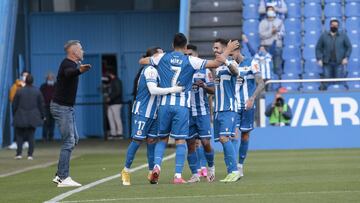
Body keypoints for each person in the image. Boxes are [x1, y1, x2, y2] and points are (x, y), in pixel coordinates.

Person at [139, 33, 239, 184]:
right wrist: (228, 50)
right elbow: (216, 63)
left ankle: (157, 166)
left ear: (172, 45)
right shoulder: (191, 60)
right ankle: (178, 176)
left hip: (165, 104)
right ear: (186, 47)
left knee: (163, 139)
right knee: (181, 141)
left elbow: (142, 61)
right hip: (182, 106)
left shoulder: (161, 57)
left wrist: (155, 59)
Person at [121, 47, 184, 186]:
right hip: (142, 112)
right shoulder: (150, 69)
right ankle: (126, 170)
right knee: (137, 140)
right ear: (153, 57)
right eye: (160, 54)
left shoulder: (160, 71)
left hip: (154, 113)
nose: (163, 56)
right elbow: (153, 90)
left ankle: (151, 173)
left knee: (151, 141)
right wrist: (174, 89)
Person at [51, 40, 91, 187]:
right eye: (81, 49)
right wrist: (79, 70)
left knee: (74, 140)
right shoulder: (68, 64)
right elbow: (69, 74)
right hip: (61, 107)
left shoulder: (72, 64)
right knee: (68, 141)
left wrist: (78, 69)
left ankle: (59, 174)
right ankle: (63, 177)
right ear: (74, 52)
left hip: (66, 107)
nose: (83, 51)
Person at [230, 47, 265, 178]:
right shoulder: (229, 65)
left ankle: (240, 166)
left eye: (232, 53)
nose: (230, 56)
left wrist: (252, 98)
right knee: (232, 135)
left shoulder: (251, 62)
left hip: (248, 105)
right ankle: (232, 168)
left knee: (245, 136)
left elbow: (261, 83)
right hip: (234, 106)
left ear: (238, 51)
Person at [212, 38, 242, 183]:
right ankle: (230, 171)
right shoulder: (217, 68)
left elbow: (236, 72)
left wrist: (226, 60)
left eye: (217, 48)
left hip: (228, 108)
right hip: (218, 110)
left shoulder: (231, 64)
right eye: (213, 48)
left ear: (225, 49)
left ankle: (234, 171)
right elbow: (217, 89)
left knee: (225, 138)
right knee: (224, 141)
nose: (215, 50)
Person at [185, 44, 215, 183]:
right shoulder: (181, 71)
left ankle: (210, 168)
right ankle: (195, 174)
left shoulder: (205, 70)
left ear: (196, 55)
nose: (187, 57)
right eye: (185, 55)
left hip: (202, 112)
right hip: (187, 113)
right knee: (190, 144)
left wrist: (204, 85)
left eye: (190, 54)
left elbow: (213, 90)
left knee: (205, 142)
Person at [12, 74, 44, 160]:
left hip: (20, 116)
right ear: (32, 81)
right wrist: (42, 115)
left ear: (25, 81)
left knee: (19, 136)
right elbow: (41, 105)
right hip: (33, 117)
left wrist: (14, 114)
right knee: (31, 136)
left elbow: (14, 104)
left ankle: (19, 154)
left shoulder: (19, 91)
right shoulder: (37, 91)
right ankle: (30, 155)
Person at [315, 18, 352, 90]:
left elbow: (349, 47)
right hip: (327, 63)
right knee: (326, 82)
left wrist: (346, 57)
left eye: (336, 25)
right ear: (330, 25)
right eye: (333, 25)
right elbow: (318, 48)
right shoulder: (324, 35)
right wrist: (319, 58)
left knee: (338, 82)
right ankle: (325, 98)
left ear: (338, 26)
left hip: (339, 63)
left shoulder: (343, 35)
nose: (334, 26)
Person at [259, 6, 285, 77]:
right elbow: (261, 35)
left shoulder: (279, 22)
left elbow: (282, 34)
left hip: (277, 47)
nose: (270, 11)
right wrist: (271, 32)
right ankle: (268, 87)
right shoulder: (263, 22)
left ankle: (279, 85)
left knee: (277, 66)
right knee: (267, 67)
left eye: (272, 10)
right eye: (269, 10)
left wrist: (277, 32)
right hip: (266, 47)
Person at [8, 71, 30, 150]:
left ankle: (26, 141)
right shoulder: (15, 86)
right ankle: (15, 142)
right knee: (17, 126)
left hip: (28, 110)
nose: (25, 77)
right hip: (18, 110)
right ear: (21, 76)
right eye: (23, 75)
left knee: (27, 126)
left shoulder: (30, 86)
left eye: (26, 76)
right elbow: (11, 98)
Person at [106, 72, 124, 137]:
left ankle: (120, 133)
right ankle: (113, 133)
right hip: (111, 103)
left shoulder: (117, 81)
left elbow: (118, 92)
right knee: (110, 118)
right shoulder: (112, 81)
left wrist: (110, 98)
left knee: (117, 118)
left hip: (116, 103)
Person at [40, 73, 56, 141]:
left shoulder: (56, 86)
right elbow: (40, 96)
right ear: (46, 79)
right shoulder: (43, 86)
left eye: (51, 78)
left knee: (52, 121)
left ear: (53, 78)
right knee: (45, 121)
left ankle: (51, 136)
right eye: (49, 78)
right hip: (45, 106)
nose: (50, 79)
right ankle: (44, 137)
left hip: (54, 106)